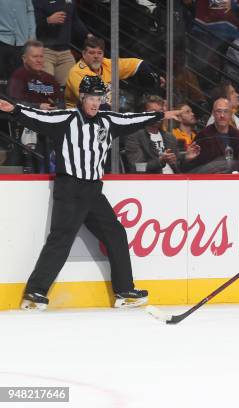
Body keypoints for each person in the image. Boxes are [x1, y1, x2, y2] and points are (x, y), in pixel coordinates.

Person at [0, 75, 182, 310]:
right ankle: (35, 293)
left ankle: (124, 291)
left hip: (94, 191)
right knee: (61, 239)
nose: (96, 103)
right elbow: (39, 117)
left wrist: (160, 115)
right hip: (70, 188)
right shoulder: (66, 118)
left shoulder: (108, 120)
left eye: (99, 98)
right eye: (91, 98)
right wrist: (15, 110)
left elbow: (132, 119)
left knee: (115, 234)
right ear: (82, 98)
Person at [8, 40, 63, 173]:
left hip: (50, 123)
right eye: (35, 56)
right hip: (28, 124)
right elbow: (13, 103)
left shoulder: (50, 78)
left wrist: (57, 106)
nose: (39, 60)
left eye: (41, 56)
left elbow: (61, 101)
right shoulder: (18, 77)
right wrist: (38, 106)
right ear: (24, 59)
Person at [64, 36, 164, 108]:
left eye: (99, 53)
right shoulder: (77, 72)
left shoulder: (107, 64)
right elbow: (93, 104)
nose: (96, 56)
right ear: (84, 54)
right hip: (79, 117)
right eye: (91, 53)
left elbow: (138, 64)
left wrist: (155, 78)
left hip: (105, 114)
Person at [186, 97, 239, 173]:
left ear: (231, 114)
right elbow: (194, 167)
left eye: (226, 111)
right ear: (213, 113)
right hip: (211, 181)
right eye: (219, 111)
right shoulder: (203, 136)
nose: (222, 115)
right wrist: (187, 159)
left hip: (235, 181)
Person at [33, 0, 91, 87]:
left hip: (65, 52)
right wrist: (48, 20)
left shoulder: (70, 1)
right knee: (46, 87)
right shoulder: (38, 2)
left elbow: (75, 20)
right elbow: (31, 24)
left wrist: (88, 35)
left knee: (71, 86)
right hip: (45, 51)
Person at [125, 95, 184, 174]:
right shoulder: (134, 136)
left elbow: (178, 166)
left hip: (175, 180)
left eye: (160, 112)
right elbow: (137, 168)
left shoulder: (170, 137)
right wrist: (160, 161)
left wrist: (187, 157)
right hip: (153, 182)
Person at [0, 1, 36, 94]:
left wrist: (32, 36)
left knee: (21, 84)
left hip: (23, 42)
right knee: (3, 83)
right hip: (2, 40)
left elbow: (30, 11)